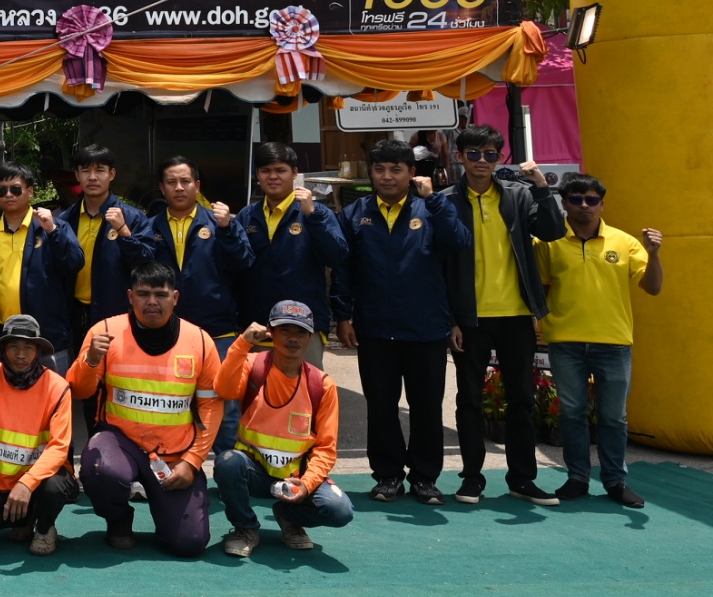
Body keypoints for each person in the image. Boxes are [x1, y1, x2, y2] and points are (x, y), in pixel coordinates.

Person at [332, 140, 469, 503]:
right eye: (379, 169)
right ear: (370, 173)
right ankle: (388, 475)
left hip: (426, 327)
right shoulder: (355, 213)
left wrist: (434, 200)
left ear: (412, 173)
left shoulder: (433, 207)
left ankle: (425, 477)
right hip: (374, 327)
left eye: (396, 169)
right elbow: (343, 268)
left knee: (426, 407)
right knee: (381, 406)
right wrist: (343, 315)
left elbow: (458, 242)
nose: (387, 177)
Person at [446, 123, 566, 506]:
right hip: (470, 319)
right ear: (459, 156)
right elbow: (437, 264)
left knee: (522, 399)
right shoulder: (446, 201)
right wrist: (450, 319)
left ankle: (522, 479)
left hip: (516, 315)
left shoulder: (518, 195)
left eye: (490, 154)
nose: (482, 161)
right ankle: (472, 478)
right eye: (473, 154)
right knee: (469, 400)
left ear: (500, 158)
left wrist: (542, 187)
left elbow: (552, 231)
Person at [68, 263, 222, 557]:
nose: (152, 302)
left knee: (189, 543)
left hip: (175, 452)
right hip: (119, 441)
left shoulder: (200, 341)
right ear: (130, 296)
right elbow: (79, 391)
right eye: (143, 294)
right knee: (100, 470)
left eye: (160, 295)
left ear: (175, 298)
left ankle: (168, 519)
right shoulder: (104, 332)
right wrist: (90, 361)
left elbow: (211, 407)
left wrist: (192, 462)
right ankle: (118, 520)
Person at [536, 173, 663, 507]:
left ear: (602, 204)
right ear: (564, 203)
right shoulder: (548, 242)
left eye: (592, 200)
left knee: (613, 417)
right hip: (565, 341)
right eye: (576, 199)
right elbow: (540, 289)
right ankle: (577, 478)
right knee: (572, 414)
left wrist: (654, 254)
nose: (584, 205)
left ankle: (615, 481)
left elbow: (653, 287)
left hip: (614, 342)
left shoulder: (625, 242)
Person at [214, 301, 353, 556]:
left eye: (301, 332)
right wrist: (241, 344)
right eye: (285, 330)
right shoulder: (253, 365)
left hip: (296, 478)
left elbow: (325, 448)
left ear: (310, 337)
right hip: (253, 473)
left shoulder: (322, 385)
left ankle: (289, 515)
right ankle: (245, 528)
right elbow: (224, 389)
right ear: (271, 332)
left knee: (340, 510)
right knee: (227, 462)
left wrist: (306, 486)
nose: (293, 338)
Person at [137, 157, 252, 451]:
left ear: (197, 186)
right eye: (171, 182)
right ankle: (178, 466)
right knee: (170, 403)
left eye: (185, 181)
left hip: (218, 329)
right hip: (171, 332)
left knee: (225, 405)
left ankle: (226, 468)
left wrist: (227, 228)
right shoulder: (150, 227)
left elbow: (244, 263)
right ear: (162, 188)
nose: (179, 188)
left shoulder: (220, 222)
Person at [0, 315, 77, 555]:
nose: (21, 354)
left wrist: (27, 483)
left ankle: (44, 528)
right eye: (13, 346)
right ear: (3, 349)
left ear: (38, 351)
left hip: (45, 477)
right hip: (2, 476)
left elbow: (59, 448)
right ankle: (26, 519)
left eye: (28, 347)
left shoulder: (58, 386)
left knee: (53, 490)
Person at [235, 141, 349, 364]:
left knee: (305, 385)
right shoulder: (246, 216)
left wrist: (312, 216)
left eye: (280, 170)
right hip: (258, 326)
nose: (273, 177)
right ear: (257, 175)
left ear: (295, 173)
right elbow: (237, 270)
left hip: (304, 327)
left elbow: (337, 256)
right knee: (258, 385)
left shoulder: (317, 212)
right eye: (265, 171)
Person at [0, 165, 80, 364]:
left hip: (46, 338)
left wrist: (53, 232)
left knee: (52, 385)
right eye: (1, 190)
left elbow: (74, 262)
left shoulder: (52, 226)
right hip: (0, 340)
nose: (8, 195)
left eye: (15, 189)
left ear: (30, 191)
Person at [58, 143, 150, 329]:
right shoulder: (65, 220)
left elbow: (146, 266)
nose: (92, 177)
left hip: (117, 313)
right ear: (77, 175)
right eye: (86, 171)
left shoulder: (133, 217)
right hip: (73, 313)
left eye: (100, 170)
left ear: (111, 174)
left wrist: (124, 231)